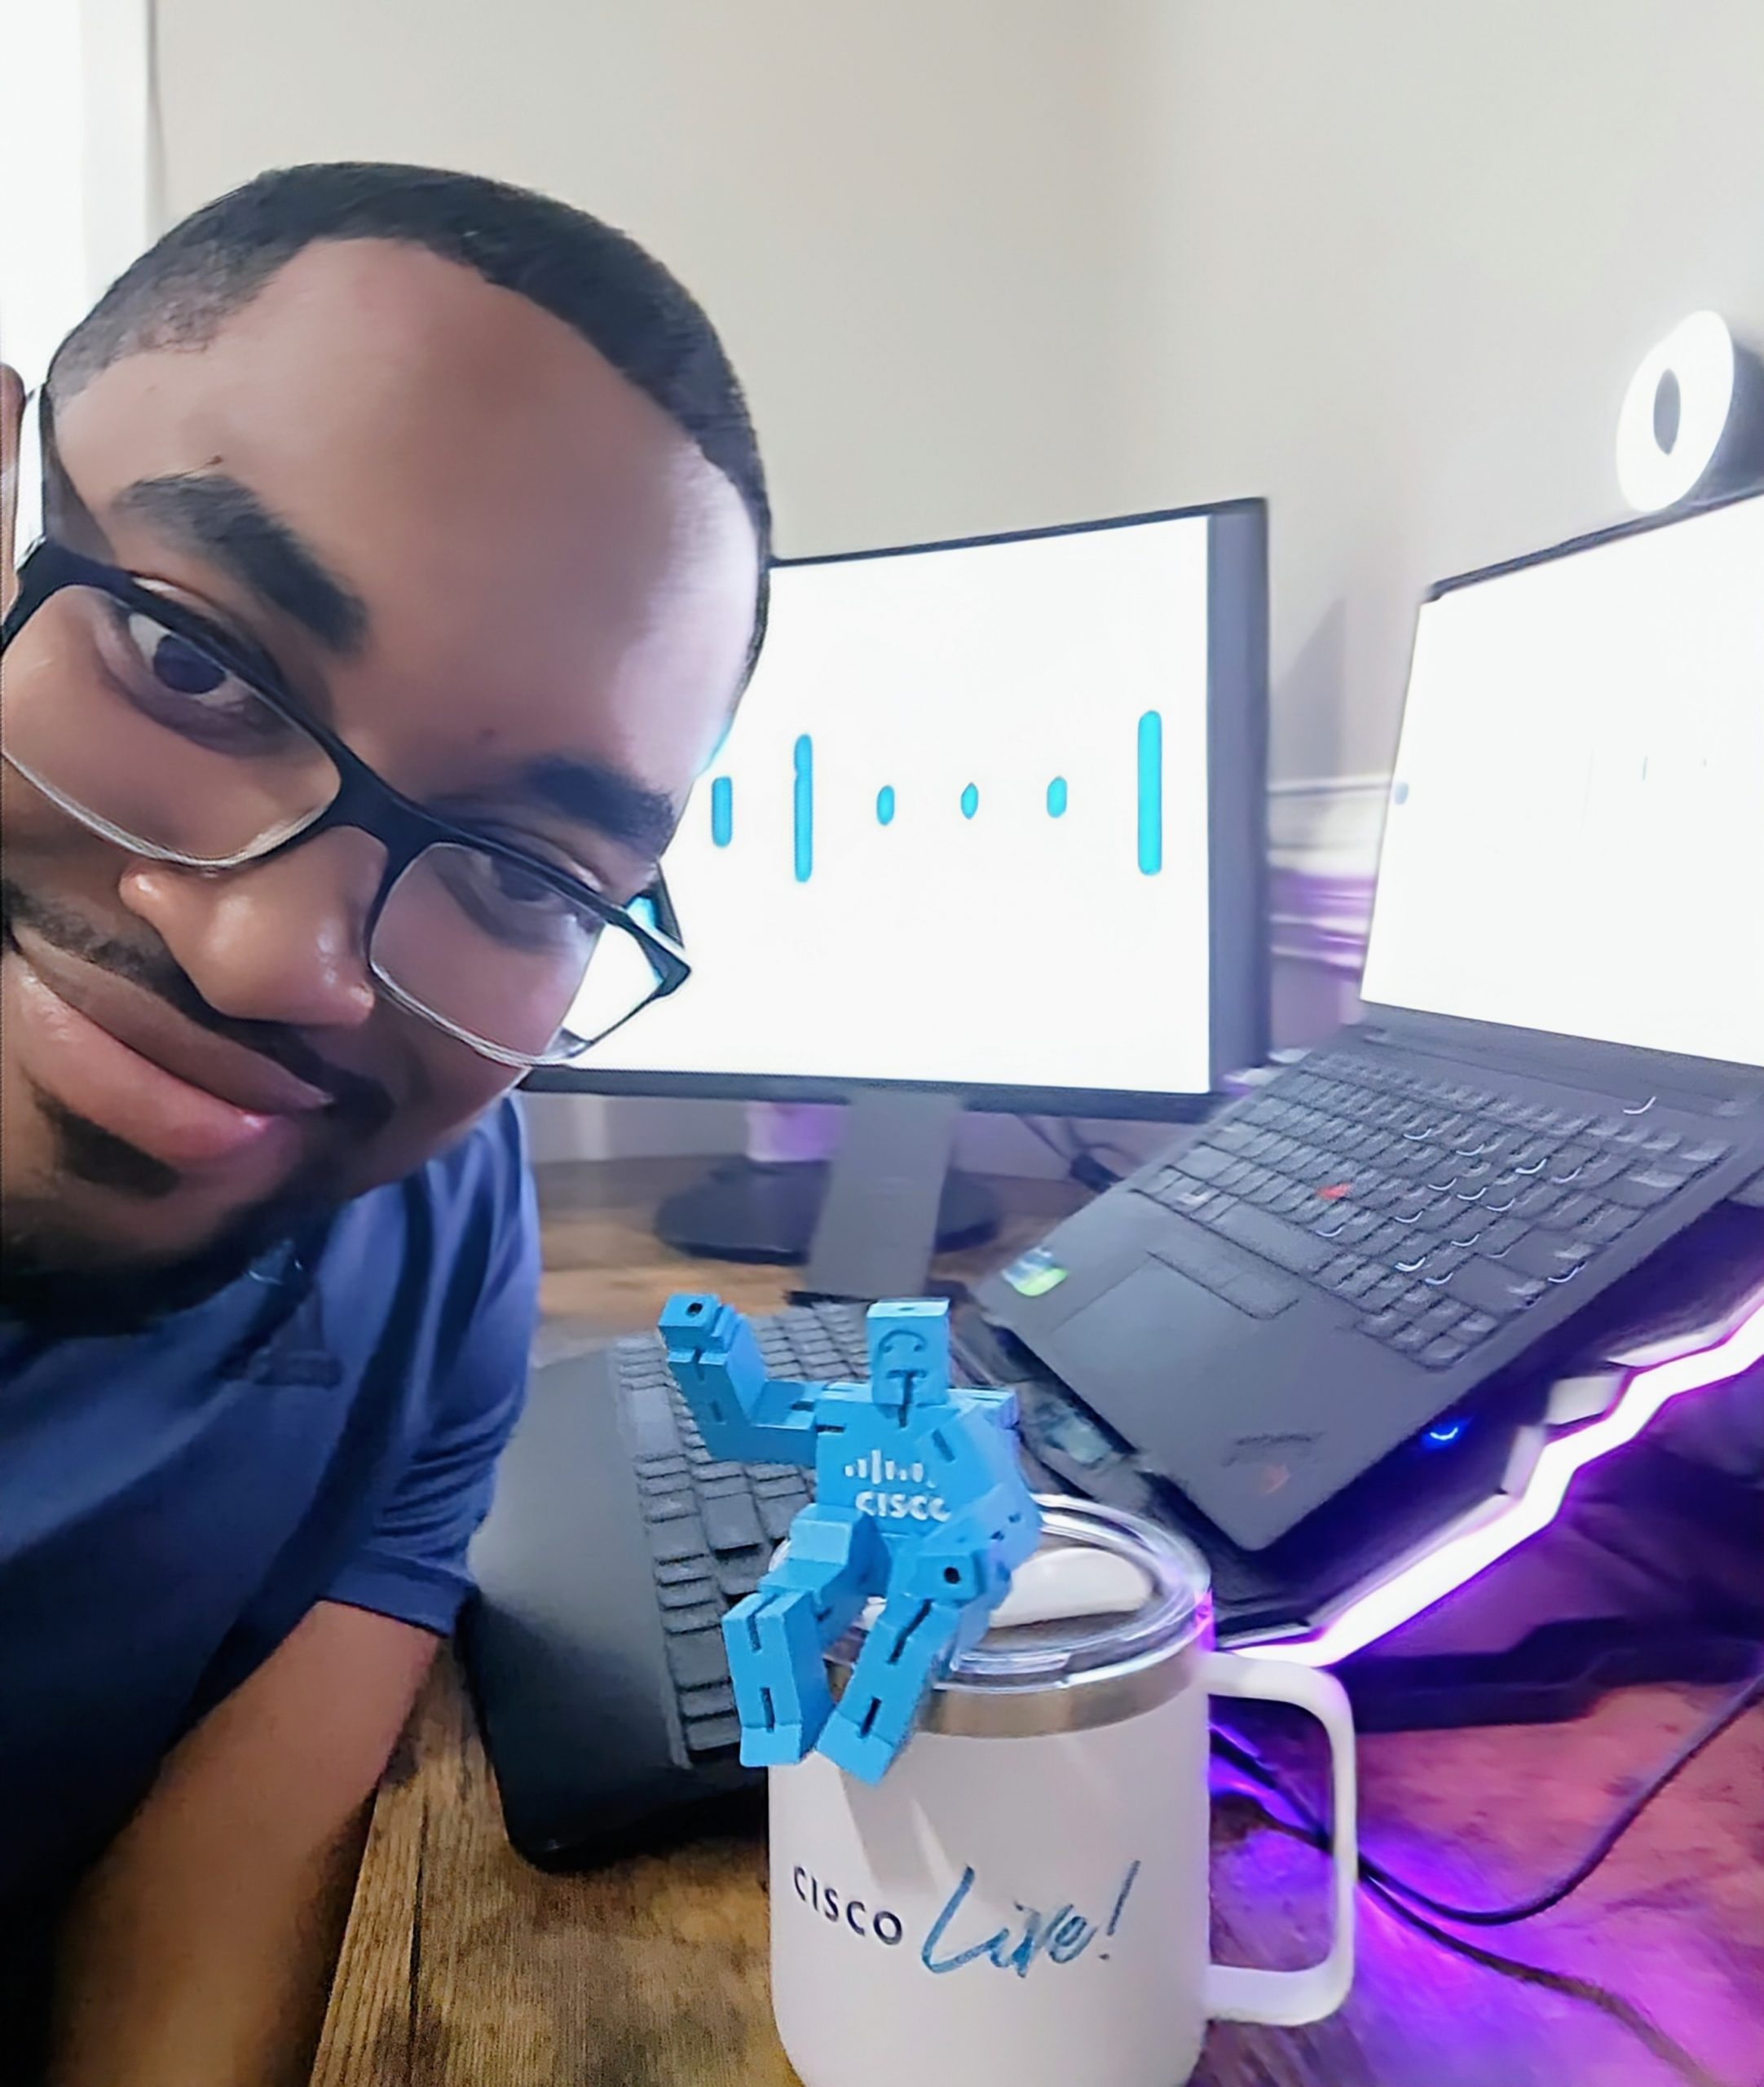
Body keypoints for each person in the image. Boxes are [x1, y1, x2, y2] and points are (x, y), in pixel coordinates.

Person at [0, 161, 768, 2085]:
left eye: (524, 872)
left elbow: (193, 1955)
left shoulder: (426, 1220)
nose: (283, 961)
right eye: (189, 659)